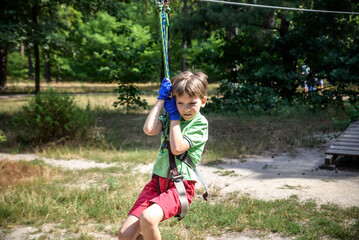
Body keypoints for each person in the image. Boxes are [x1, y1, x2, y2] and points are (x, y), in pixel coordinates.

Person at [118, 71, 209, 240]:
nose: (185, 108)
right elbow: (149, 129)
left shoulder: (199, 123)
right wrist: (161, 100)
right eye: (180, 103)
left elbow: (177, 148)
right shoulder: (169, 115)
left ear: (203, 101)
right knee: (125, 235)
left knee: (148, 218)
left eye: (192, 103)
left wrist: (175, 117)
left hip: (180, 185)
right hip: (157, 182)